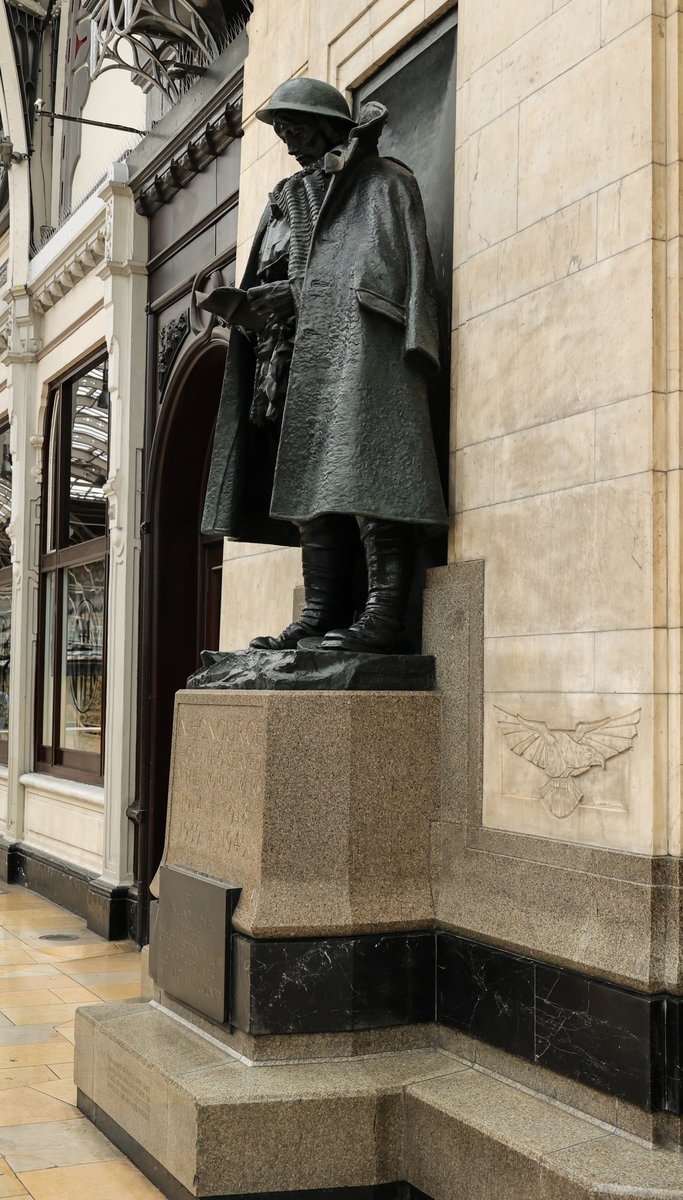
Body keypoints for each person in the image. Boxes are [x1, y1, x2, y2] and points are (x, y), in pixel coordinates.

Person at [201, 77, 448, 653]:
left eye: (295, 128)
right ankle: (320, 612)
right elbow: (269, 271)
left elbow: (390, 270)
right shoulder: (284, 201)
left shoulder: (383, 183)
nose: (287, 142)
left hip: (357, 353)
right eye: (282, 131)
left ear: (328, 124)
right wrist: (252, 305)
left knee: (364, 478)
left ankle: (385, 616)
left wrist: (302, 293)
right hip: (286, 357)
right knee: (308, 487)